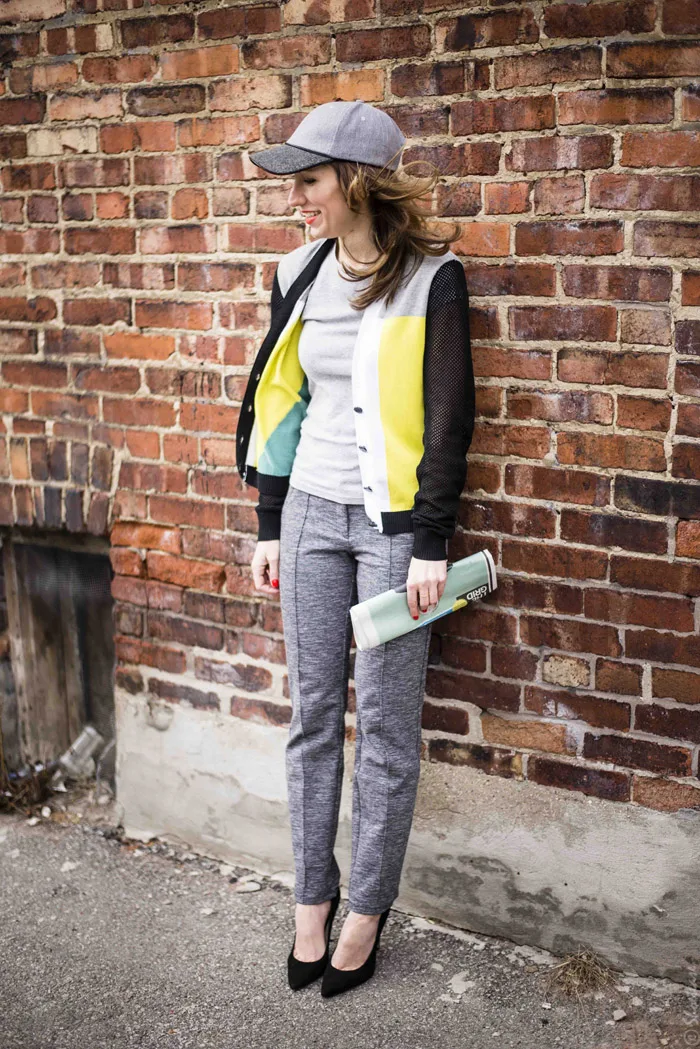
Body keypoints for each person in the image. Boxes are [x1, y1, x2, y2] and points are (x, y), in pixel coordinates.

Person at [235, 100, 475, 997]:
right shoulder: (296, 270)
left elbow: (452, 423)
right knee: (310, 720)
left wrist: (429, 544)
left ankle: (367, 911)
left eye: (309, 182)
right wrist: (268, 521)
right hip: (308, 519)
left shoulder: (431, 280)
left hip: (392, 534)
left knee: (384, 728)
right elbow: (281, 401)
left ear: (357, 183)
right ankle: (310, 902)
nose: (296, 199)